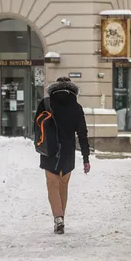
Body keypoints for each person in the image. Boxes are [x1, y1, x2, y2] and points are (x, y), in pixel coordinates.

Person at [34, 77, 90, 234]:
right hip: (67, 152)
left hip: (48, 150)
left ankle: (58, 218)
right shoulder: (76, 107)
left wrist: (38, 145)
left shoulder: (45, 103)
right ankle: (61, 217)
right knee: (63, 185)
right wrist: (86, 158)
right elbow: (82, 134)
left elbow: (37, 128)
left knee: (52, 184)